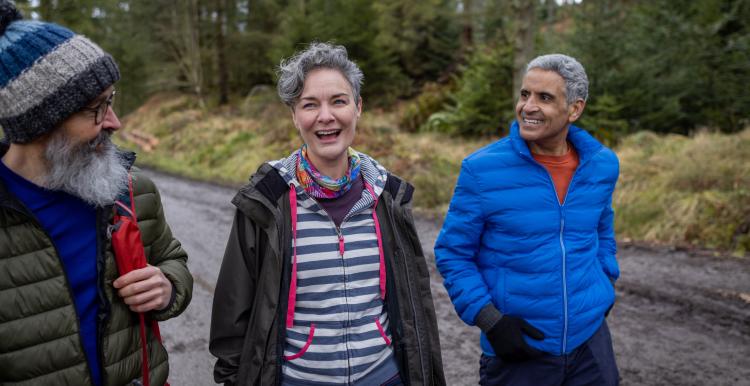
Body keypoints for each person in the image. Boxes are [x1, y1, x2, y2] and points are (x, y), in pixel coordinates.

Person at [209, 42, 445, 386]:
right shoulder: (266, 202)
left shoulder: (388, 198)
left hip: (383, 377)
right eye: (310, 105)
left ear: (358, 107)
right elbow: (233, 312)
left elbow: (417, 310)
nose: (326, 116)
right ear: (294, 115)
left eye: (339, 101)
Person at [0, 2, 193, 385]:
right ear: (40, 122)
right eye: (96, 108)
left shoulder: (129, 188)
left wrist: (168, 286)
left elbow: (172, 259)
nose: (115, 122)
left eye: (112, 100)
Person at [434, 54, 620, 385]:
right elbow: (452, 253)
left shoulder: (602, 164)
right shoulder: (482, 170)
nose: (528, 107)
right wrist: (491, 321)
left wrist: (605, 282)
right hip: (519, 351)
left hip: (591, 346)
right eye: (525, 95)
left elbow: (602, 230)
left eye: (544, 98)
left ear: (574, 109)